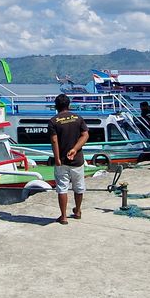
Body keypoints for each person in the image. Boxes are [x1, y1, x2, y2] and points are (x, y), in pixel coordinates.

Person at [48, 94, 89, 225]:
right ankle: (78, 211)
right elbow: (85, 135)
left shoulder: (53, 121)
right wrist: (75, 149)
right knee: (79, 186)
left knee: (62, 188)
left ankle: (64, 216)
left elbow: (54, 140)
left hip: (62, 160)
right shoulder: (78, 118)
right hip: (77, 160)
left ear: (56, 106)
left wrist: (57, 158)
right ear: (69, 105)